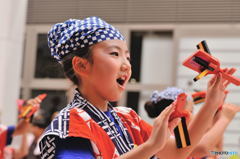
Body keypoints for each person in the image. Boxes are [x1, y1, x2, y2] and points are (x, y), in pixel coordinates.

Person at [39, 16, 229, 159]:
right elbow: (201, 149)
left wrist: (211, 104)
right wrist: (151, 146)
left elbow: (180, 150)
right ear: (81, 66)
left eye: (127, 57)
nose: (127, 65)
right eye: (115, 54)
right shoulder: (70, 126)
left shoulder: (127, 118)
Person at [144, 86, 240, 159]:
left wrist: (218, 110)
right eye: (192, 110)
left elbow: (215, 151)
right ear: (179, 112)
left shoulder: (176, 131)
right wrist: (225, 118)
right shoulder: (174, 131)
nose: (194, 115)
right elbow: (202, 148)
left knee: (233, 154)